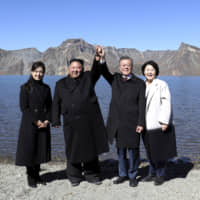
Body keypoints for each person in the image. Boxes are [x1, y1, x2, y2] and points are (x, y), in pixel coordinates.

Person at [52, 56, 109, 187]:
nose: (76, 70)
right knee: (72, 149)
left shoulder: (88, 78)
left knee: (90, 148)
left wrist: (97, 58)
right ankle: (74, 176)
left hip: (89, 121)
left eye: (78, 68)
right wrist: (55, 119)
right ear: (69, 69)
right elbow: (56, 103)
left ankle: (92, 175)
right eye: (73, 68)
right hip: (70, 122)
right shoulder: (60, 84)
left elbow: (96, 71)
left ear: (82, 69)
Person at [96, 46, 146, 187]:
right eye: (123, 65)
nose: (126, 67)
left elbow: (142, 104)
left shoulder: (139, 83)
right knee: (120, 151)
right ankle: (122, 174)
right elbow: (104, 71)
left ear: (132, 67)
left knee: (134, 151)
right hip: (117, 123)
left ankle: (133, 175)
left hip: (133, 122)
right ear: (120, 66)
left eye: (128, 65)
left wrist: (141, 123)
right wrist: (102, 58)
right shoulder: (115, 79)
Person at [16, 61, 52, 188]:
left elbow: (50, 107)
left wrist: (47, 121)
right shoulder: (25, 88)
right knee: (30, 151)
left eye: (41, 72)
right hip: (30, 124)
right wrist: (36, 121)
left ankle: (37, 176)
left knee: (39, 151)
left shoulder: (46, 88)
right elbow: (24, 108)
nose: (38, 74)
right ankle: (31, 177)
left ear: (44, 73)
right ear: (32, 72)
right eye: (36, 71)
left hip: (43, 124)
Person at [141, 60, 177, 185]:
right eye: (147, 70)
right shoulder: (142, 85)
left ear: (156, 71)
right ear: (143, 72)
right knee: (149, 151)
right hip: (145, 125)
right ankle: (151, 173)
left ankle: (160, 175)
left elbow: (166, 103)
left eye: (152, 69)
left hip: (157, 124)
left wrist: (164, 121)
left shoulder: (161, 84)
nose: (149, 72)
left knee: (159, 152)